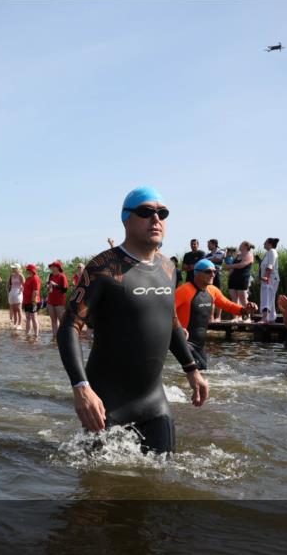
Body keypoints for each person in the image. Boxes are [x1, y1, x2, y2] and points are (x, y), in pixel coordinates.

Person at [58, 185, 208, 455]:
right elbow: (69, 326)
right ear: (126, 218)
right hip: (106, 404)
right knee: (99, 492)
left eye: (162, 213)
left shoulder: (168, 268)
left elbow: (170, 321)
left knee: (162, 485)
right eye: (146, 212)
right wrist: (81, 388)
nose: (156, 219)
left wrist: (191, 369)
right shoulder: (104, 268)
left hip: (154, 403)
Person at [175, 259, 257, 369]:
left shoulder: (213, 290)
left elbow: (227, 305)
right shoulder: (183, 291)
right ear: (197, 273)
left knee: (203, 370)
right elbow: (166, 310)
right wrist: (177, 330)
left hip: (200, 344)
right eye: (208, 271)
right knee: (197, 370)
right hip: (184, 342)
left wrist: (244, 310)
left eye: (215, 271)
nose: (213, 274)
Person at [225, 241, 255, 315]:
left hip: (242, 278)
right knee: (234, 299)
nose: (239, 245)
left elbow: (242, 265)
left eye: (241, 244)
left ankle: (248, 317)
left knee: (243, 299)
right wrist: (229, 273)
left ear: (245, 246)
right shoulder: (238, 255)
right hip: (233, 278)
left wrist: (230, 266)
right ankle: (236, 317)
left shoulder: (249, 255)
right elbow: (233, 265)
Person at [259, 238, 280, 323]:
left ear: (269, 243)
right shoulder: (269, 252)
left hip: (270, 278)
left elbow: (271, 265)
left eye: (265, 242)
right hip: (268, 278)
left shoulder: (272, 251)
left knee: (266, 297)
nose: (263, 243)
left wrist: (266, 277)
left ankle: (264, 318)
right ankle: (271, 318)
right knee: (269, 297)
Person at [45, 261, 68, 338]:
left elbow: (65, 290)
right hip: (51, 301)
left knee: (62, 321)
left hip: (59, 302)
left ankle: (64, 336)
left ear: (58, 267)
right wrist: (48, 287)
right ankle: (55, 337)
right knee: (53, 321)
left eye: (53, 266)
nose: (51, 268)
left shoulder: (62, 276)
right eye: (51, 266)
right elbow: (48, 288)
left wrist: (55, 285)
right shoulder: (50, 276)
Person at [21, 264, 41, 337]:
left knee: (34, 318)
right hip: (26, 301)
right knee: (28, 318)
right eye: (27, 270)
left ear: (32, 270)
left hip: (33, 301)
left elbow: (36, 291)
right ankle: (27, 333)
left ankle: (36, 335)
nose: (27, 271)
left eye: (29, 270)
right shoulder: (28, 278)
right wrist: (24, 301)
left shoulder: (35, 278)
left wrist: (33, 301)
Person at [7, 263, 24, 329]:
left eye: (14, 268)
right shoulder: (12, 275)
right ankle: (15, 323)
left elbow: (23, 283)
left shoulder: (20, 275)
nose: (13, 269)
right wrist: (9, 291)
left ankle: (19, 324)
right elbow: (8, 284)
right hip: (12, 291)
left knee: (19, 308)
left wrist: (21, 290)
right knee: (14, 309)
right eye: (13, 268)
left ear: (18, 268)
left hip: (18, 291)